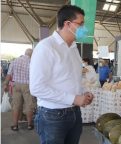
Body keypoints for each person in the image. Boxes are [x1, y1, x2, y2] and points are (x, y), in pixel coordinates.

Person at [30, 5, 94, 144]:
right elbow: (36, 88)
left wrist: (83, 93)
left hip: (74, 113)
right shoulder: (46, 47)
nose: (84, 28)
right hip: (52, 116)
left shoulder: (73, 48)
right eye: (81, 24)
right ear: (68, 24)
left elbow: (72, 78)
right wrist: (73, 98)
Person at [3, 49, 36, 131]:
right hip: (28, 86)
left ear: (24, 54)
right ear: (31, 55)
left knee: (16, 105)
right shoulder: (32, 62)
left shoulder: (14, 61)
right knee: (29, 105)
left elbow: (9, 74)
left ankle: (15, 125)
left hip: (16, 85)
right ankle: (29, 124)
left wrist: (5, 84)